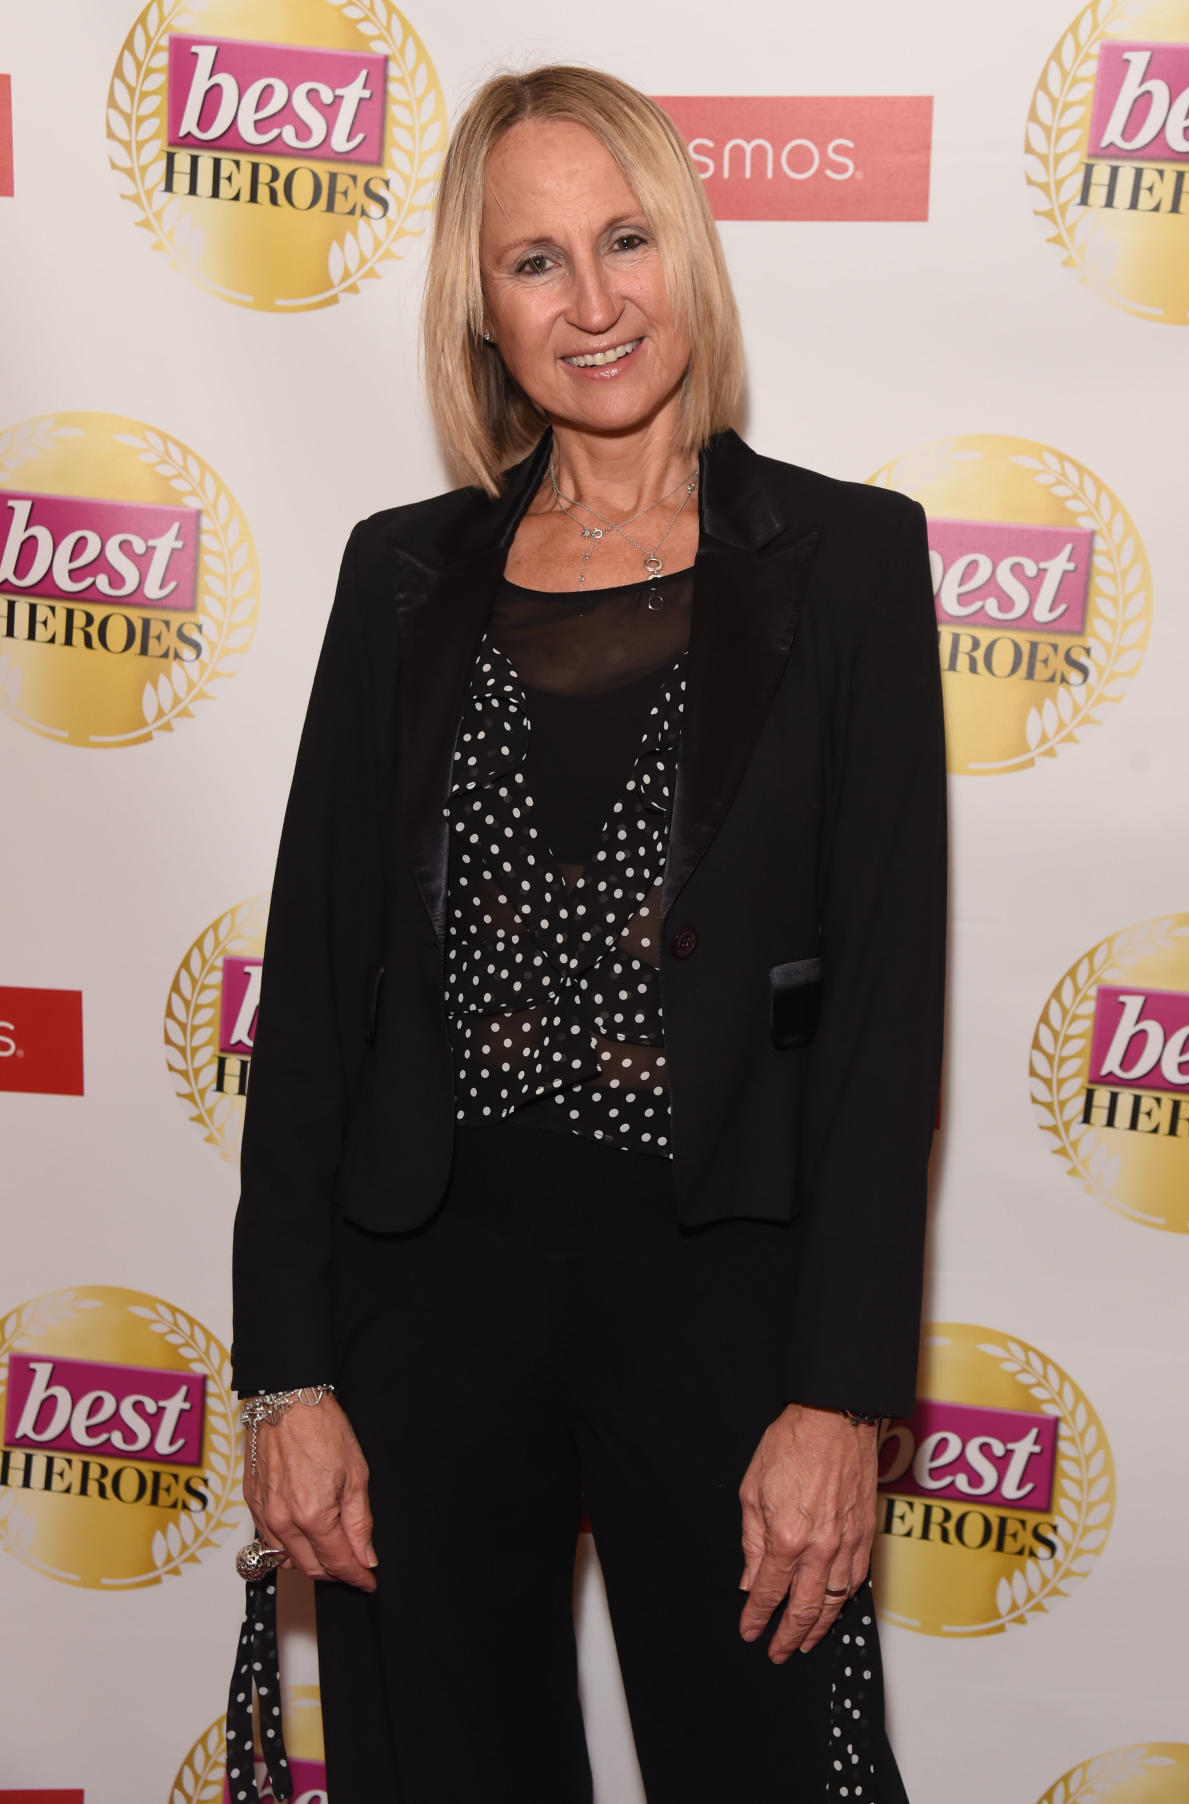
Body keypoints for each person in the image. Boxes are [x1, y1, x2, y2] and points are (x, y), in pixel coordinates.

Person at [231, 63, 946, 1804]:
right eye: (532, 262)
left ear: (685, 254)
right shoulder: (400, 576)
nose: (593, 301)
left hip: (727, 1308)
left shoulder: (845, 561)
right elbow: (319, 996)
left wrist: (841, 1397)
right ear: (480, 311)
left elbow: (880, 1027)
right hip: (428, 1293)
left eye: (623, 240)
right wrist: (286, 1376)